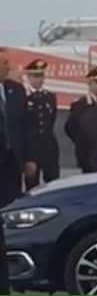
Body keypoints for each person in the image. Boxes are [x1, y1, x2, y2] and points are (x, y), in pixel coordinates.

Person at [23, 59, 60, 189]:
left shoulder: (50, 96)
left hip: (49, 147)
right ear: (28, 77)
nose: (39, 79)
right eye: (36, 76)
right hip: (31, 149)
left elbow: (51, 119)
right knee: (32, 185)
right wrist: (27, 156)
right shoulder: (23, 96)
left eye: (41, 76)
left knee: (53, 183)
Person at [65, 66, 97, 170]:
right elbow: (71, 128)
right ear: (89, 83)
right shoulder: (80, 105)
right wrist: (83, 143)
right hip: (88, 156)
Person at [0, 49, 26, 208]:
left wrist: (29, 158)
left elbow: (25, 126)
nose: (8, 67)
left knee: (12, 204)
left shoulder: (16, 90)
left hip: (14, 160)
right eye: (4, 63)